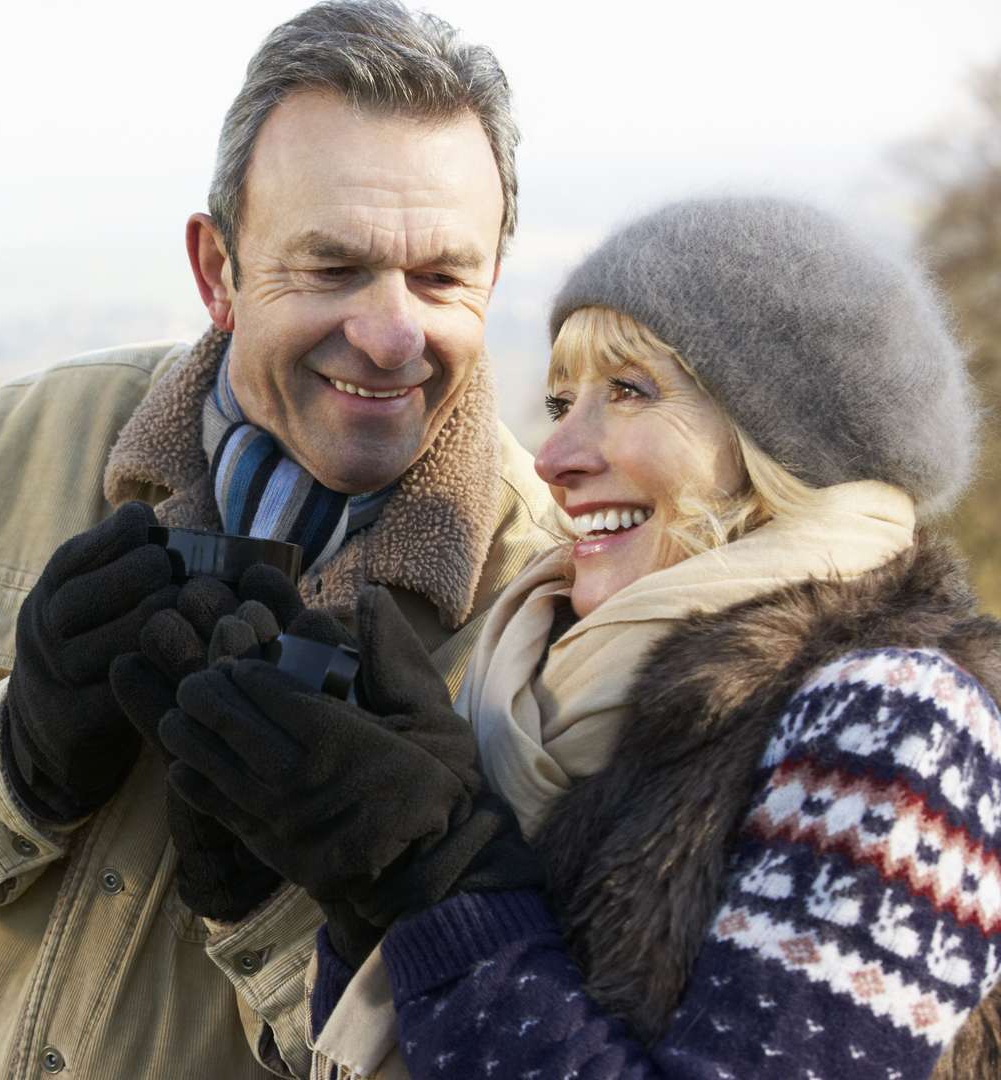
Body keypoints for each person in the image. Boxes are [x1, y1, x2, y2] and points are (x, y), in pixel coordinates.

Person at [0, 2, 555, 1077]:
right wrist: (16, 753)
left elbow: (517, 1045)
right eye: (331, 269)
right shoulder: (29, 437)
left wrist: (290, 906)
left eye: (440, 278)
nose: (389, 334)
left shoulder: (554, 595)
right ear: (218, 271)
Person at [156, 196, 1001, 1078]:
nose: (555, 455)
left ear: (787, 440)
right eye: (562, 400)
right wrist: (340, 890)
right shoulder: (552, 698)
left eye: (629, 391)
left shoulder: (900, 724)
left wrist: (450, 886)